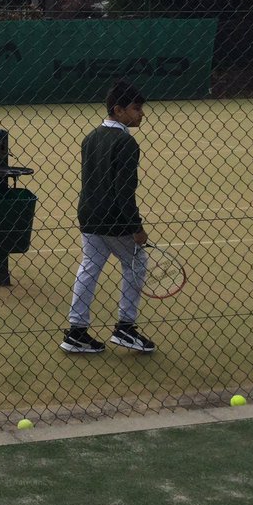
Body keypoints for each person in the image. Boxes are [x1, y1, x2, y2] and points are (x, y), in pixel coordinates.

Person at [60, 79, 155, 355]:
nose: (141, 114)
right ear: (118, 109)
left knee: (89, 266)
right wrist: (136, 227)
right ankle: (125, 327)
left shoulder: (90, 137)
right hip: (114, 220)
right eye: (136, 109)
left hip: (88, 214)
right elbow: (124, 190)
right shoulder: (126, 142)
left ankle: (76, 332)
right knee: (137, 263)